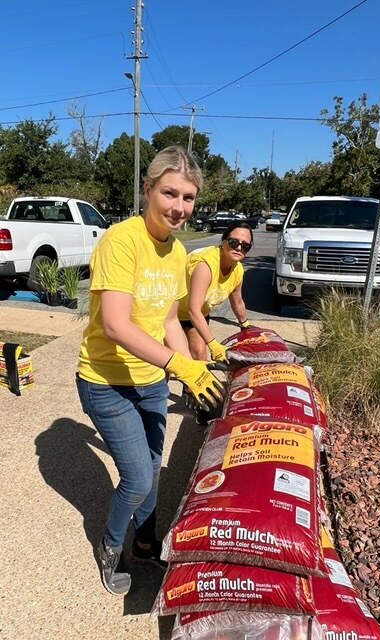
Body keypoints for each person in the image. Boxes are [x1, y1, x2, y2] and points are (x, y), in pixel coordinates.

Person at [75, 146, 224, 597]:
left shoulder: (178, 252)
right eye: (170, 193)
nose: (179, 207)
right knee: (138, 477)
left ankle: (145, 543)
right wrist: (179, 364)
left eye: (189, 198)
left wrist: (194, 371)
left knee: (154, 471)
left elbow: (164, 322)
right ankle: (111, 547)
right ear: (148, 189)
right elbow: (116, 325)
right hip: (106, 381)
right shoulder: (121, 240)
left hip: (151, 380)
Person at [178, 221, 253, 422]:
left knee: (198, 357)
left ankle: (196, 397)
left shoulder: (237, 271)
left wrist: (245, 326)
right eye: (234, 242)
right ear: (223, 241)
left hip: (197, 313)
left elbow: (236, 300)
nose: (239, 248)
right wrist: (214, 344)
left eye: (245, 245)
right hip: (172, 310)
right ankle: (157, 401)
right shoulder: (205, 264)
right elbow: (192, 310)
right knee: (181, 359)